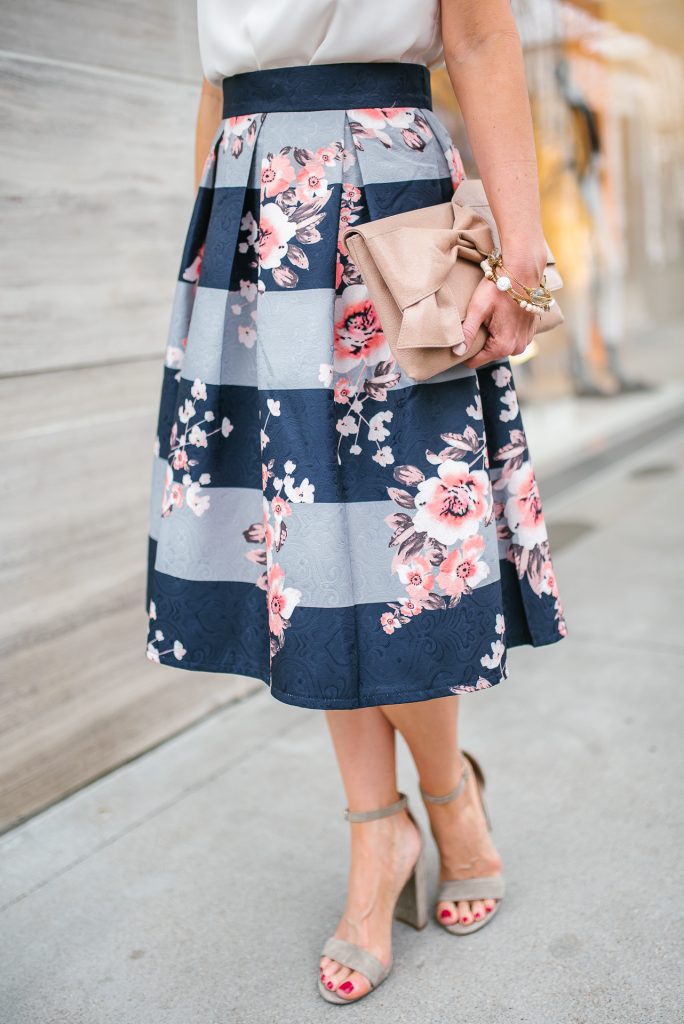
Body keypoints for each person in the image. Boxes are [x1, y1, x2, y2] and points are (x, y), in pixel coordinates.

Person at [145, 0, 567, 1005]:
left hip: (383, 187)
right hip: (248, 201)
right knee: (307, 550)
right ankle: (378, 831)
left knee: (405, 542)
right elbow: (215, 75)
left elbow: (476, 33)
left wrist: (524, 254)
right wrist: (210, 238)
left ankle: (446, 793)